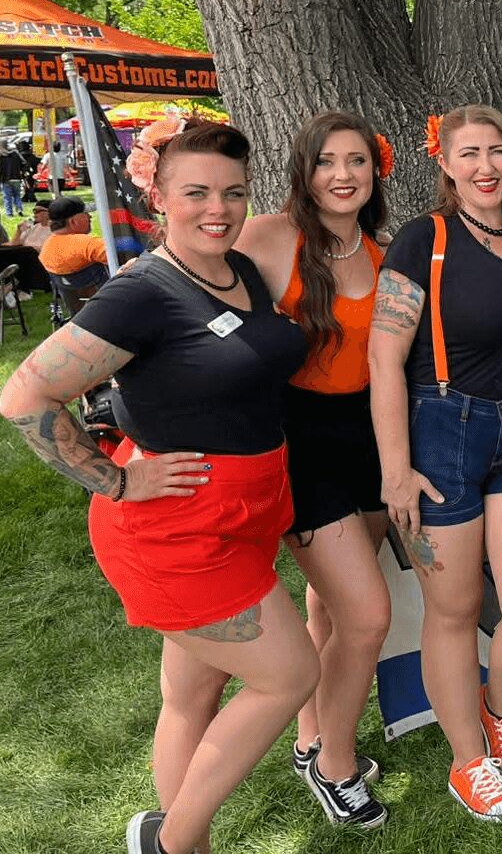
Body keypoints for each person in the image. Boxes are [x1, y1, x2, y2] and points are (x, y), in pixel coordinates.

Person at [0, 120, 318, 854]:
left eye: (233, 192)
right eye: (197, 192)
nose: (219, 208)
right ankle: (172, 841)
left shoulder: (236, 268)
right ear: (158, 197)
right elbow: (24, 397)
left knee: (193, 695)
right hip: (178, 529)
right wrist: (115, 478)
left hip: (245, 514)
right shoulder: (143, 292)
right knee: (288, 674)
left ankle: (184, 844)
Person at [370, 104, 502, 823]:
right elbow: (383, 357)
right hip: (441, 431)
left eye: (497, 152)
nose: (486, 166)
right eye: (469, 154)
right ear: (445, 165)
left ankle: (496, 710)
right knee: (455, 611)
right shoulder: (423, 239)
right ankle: (468, 763)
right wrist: (395, 471)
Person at [233, 111, 392, 830]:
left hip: (374, 435)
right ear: (305, 170)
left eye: (356, 161)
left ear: (374, 172)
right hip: (297, 440)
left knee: (330, 604)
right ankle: (337, 768)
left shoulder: (387, 255)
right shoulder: (269, 236)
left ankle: (308, 739)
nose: (342, 175)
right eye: (328, 161)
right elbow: (189, 298)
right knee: (367, 615)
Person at [38, 196, 109, 284]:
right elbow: (125, 256)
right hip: (110, 294)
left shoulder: (46, 248)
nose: (90, 216)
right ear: (73, 221)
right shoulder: (89, 244)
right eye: (85, 213)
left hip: (73, 297)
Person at [0, 198, 52, 294]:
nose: (34, 213)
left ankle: (16, 286)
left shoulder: (54, 230)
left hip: (40, 263)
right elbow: (14, 244)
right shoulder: (33, 227)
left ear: (49, 213)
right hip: (25, 258)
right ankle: (6, 284)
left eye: (38, 211)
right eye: (34, 210)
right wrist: (19, 231)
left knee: (28, 250)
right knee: (4, 249)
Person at [0, 138, 23, 217]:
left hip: (5, 179)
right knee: (17, 195)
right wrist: (21, 171)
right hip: (17, 177)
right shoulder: (15, 153)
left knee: (7, 197)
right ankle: (19, 209)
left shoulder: (1, 155)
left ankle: (9, 213)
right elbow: (24, 162)